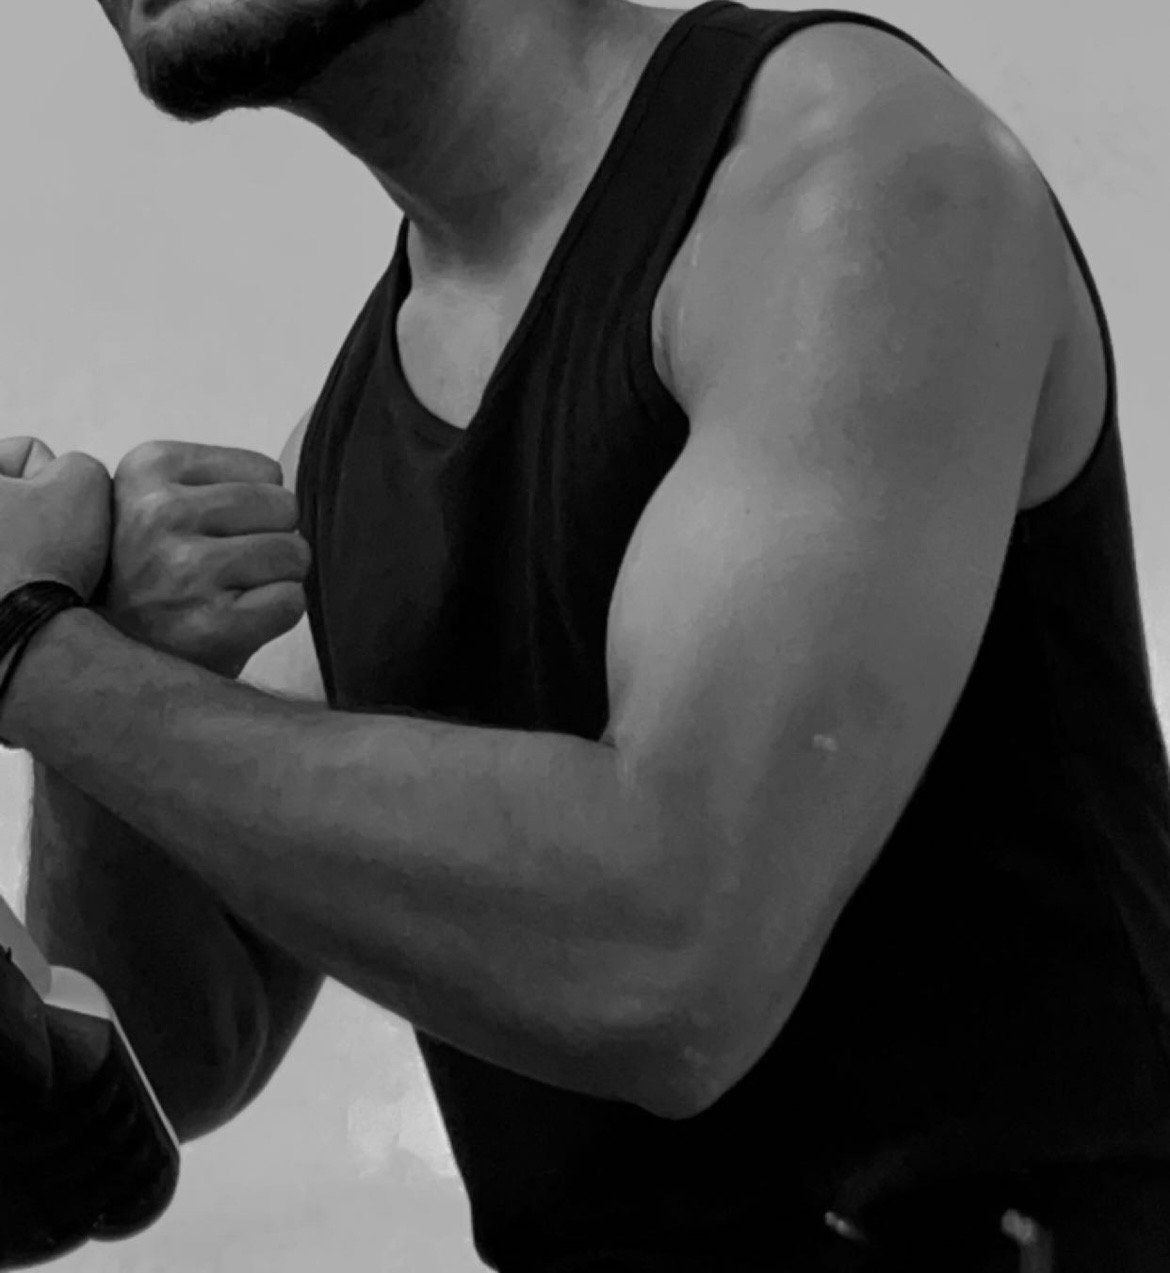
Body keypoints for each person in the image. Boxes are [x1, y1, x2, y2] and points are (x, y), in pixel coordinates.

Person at [2, 0, 1169, 1268]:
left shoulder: (852, 171)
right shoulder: (344, 447)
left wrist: (40, 653)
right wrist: (95, 677)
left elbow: (670, 958)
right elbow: (162, 1062)